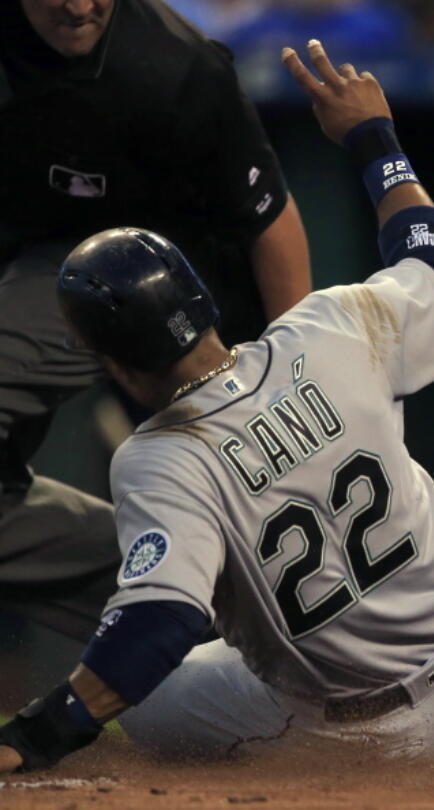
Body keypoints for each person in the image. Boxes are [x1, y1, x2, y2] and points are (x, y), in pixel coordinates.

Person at [0, 39, 434, 772]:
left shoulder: (161, 459)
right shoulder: (330, 326)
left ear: (110, 362)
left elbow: (157, 624)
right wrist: (376, 142)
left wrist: (34, 735)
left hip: (376, 737)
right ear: (201, 300)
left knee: (150, 699)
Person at [0, 0, 311, 644]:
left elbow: (270, 219)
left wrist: (299, 367)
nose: (79, 5)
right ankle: (195, 616)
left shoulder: (175, 65)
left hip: (146, 284)